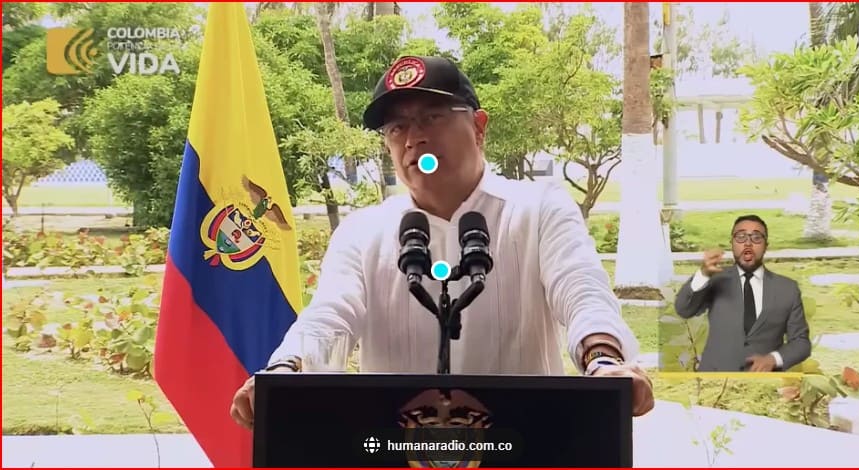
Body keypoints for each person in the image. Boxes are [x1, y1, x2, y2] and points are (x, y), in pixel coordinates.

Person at [231, 56, 654, 429]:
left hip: (524, 444)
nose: (413, 139)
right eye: (396, 127)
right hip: (395, 449)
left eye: (432, 117)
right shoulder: (361, 233)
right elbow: (329, 317)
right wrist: (285, 370)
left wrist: (604, 361)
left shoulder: (539, 210)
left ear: (479, 127)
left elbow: (582, 292)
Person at [673, 215, 811, 372]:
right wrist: (703, 275)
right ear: (732, 243)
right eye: (741, 237)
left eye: (756, 238)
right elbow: (683, 309)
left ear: (766, 245)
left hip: (763, 381)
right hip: (714, 380)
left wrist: (774, 359)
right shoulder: (715, 280)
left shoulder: (787, 289)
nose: (748, 243)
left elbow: (801, 342)